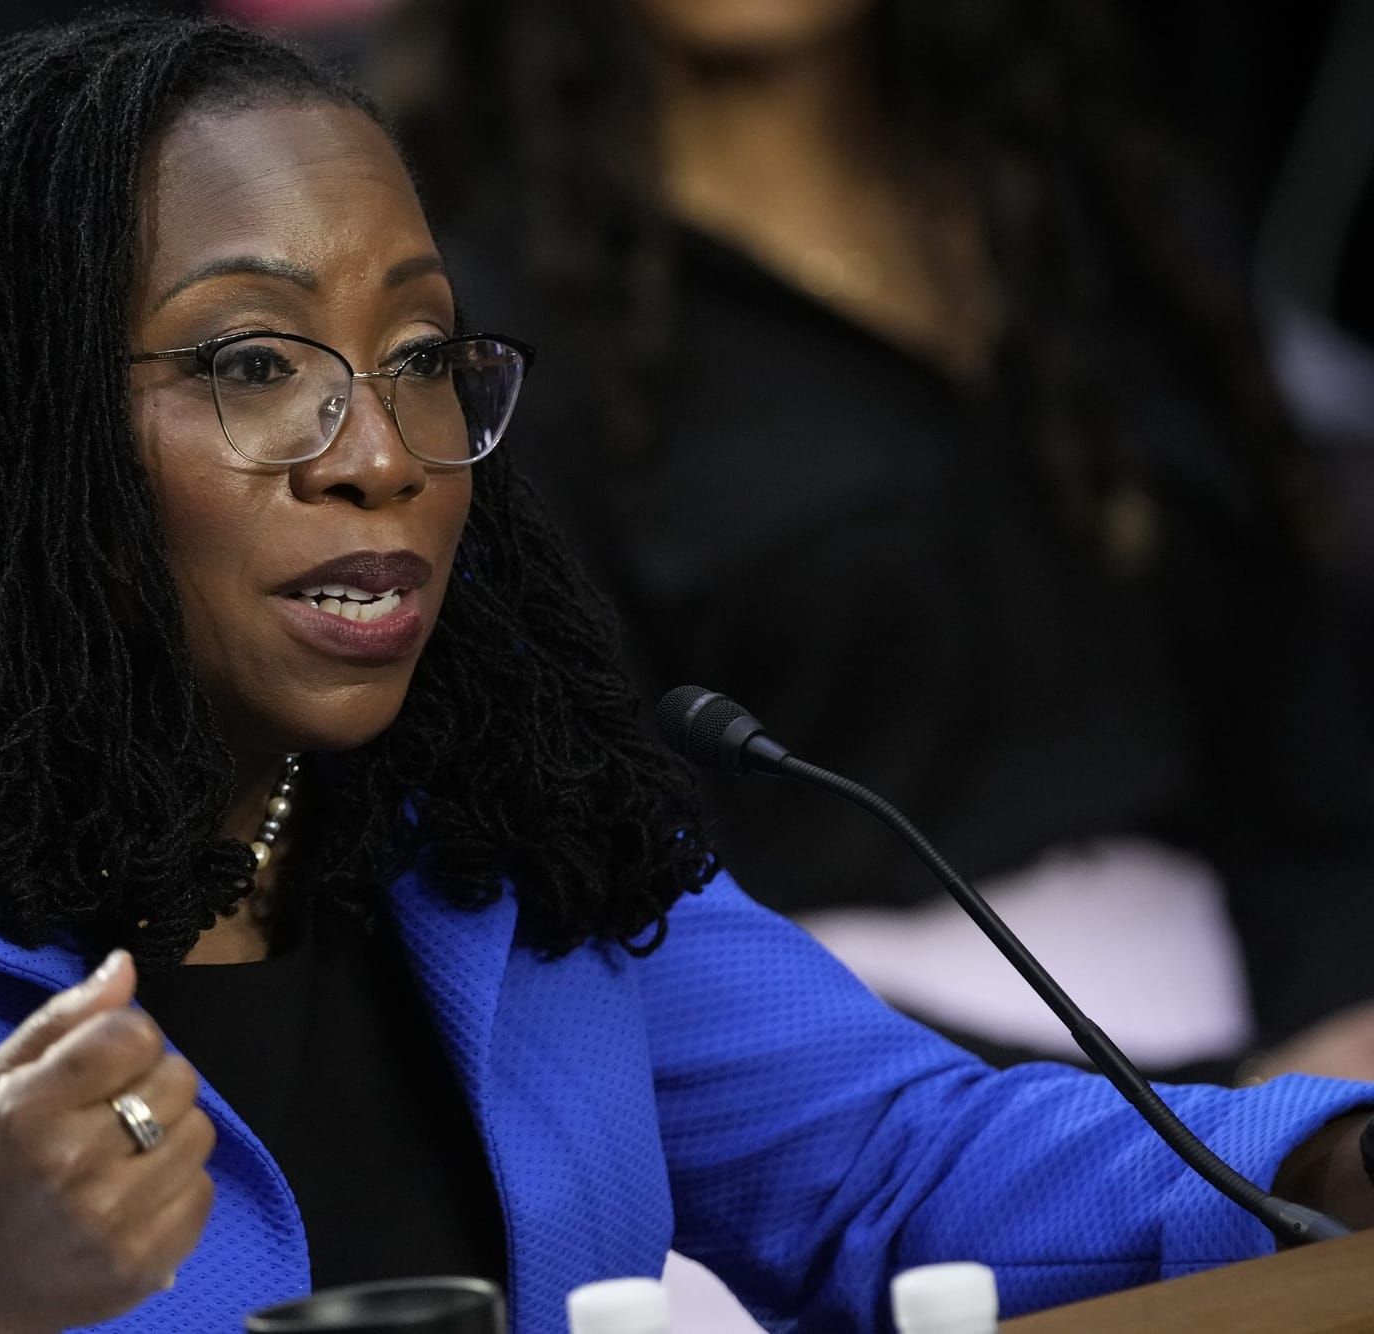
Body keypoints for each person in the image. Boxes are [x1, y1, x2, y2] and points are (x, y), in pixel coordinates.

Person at [0, 15, 1374, 1334]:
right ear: (21, 427)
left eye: (425, 353)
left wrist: (1347, 1147)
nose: (381, 448)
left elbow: (903, 1155)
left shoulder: (479, 808)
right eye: (248, 361)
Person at [380, 0, 1374, 1082]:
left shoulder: (1107, 208)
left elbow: (1303, 722)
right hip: (862, 1107)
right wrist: (1191, 1116)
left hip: (1289, 1034)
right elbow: (610, 883)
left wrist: (1326, 1050)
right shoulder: (502, 336)